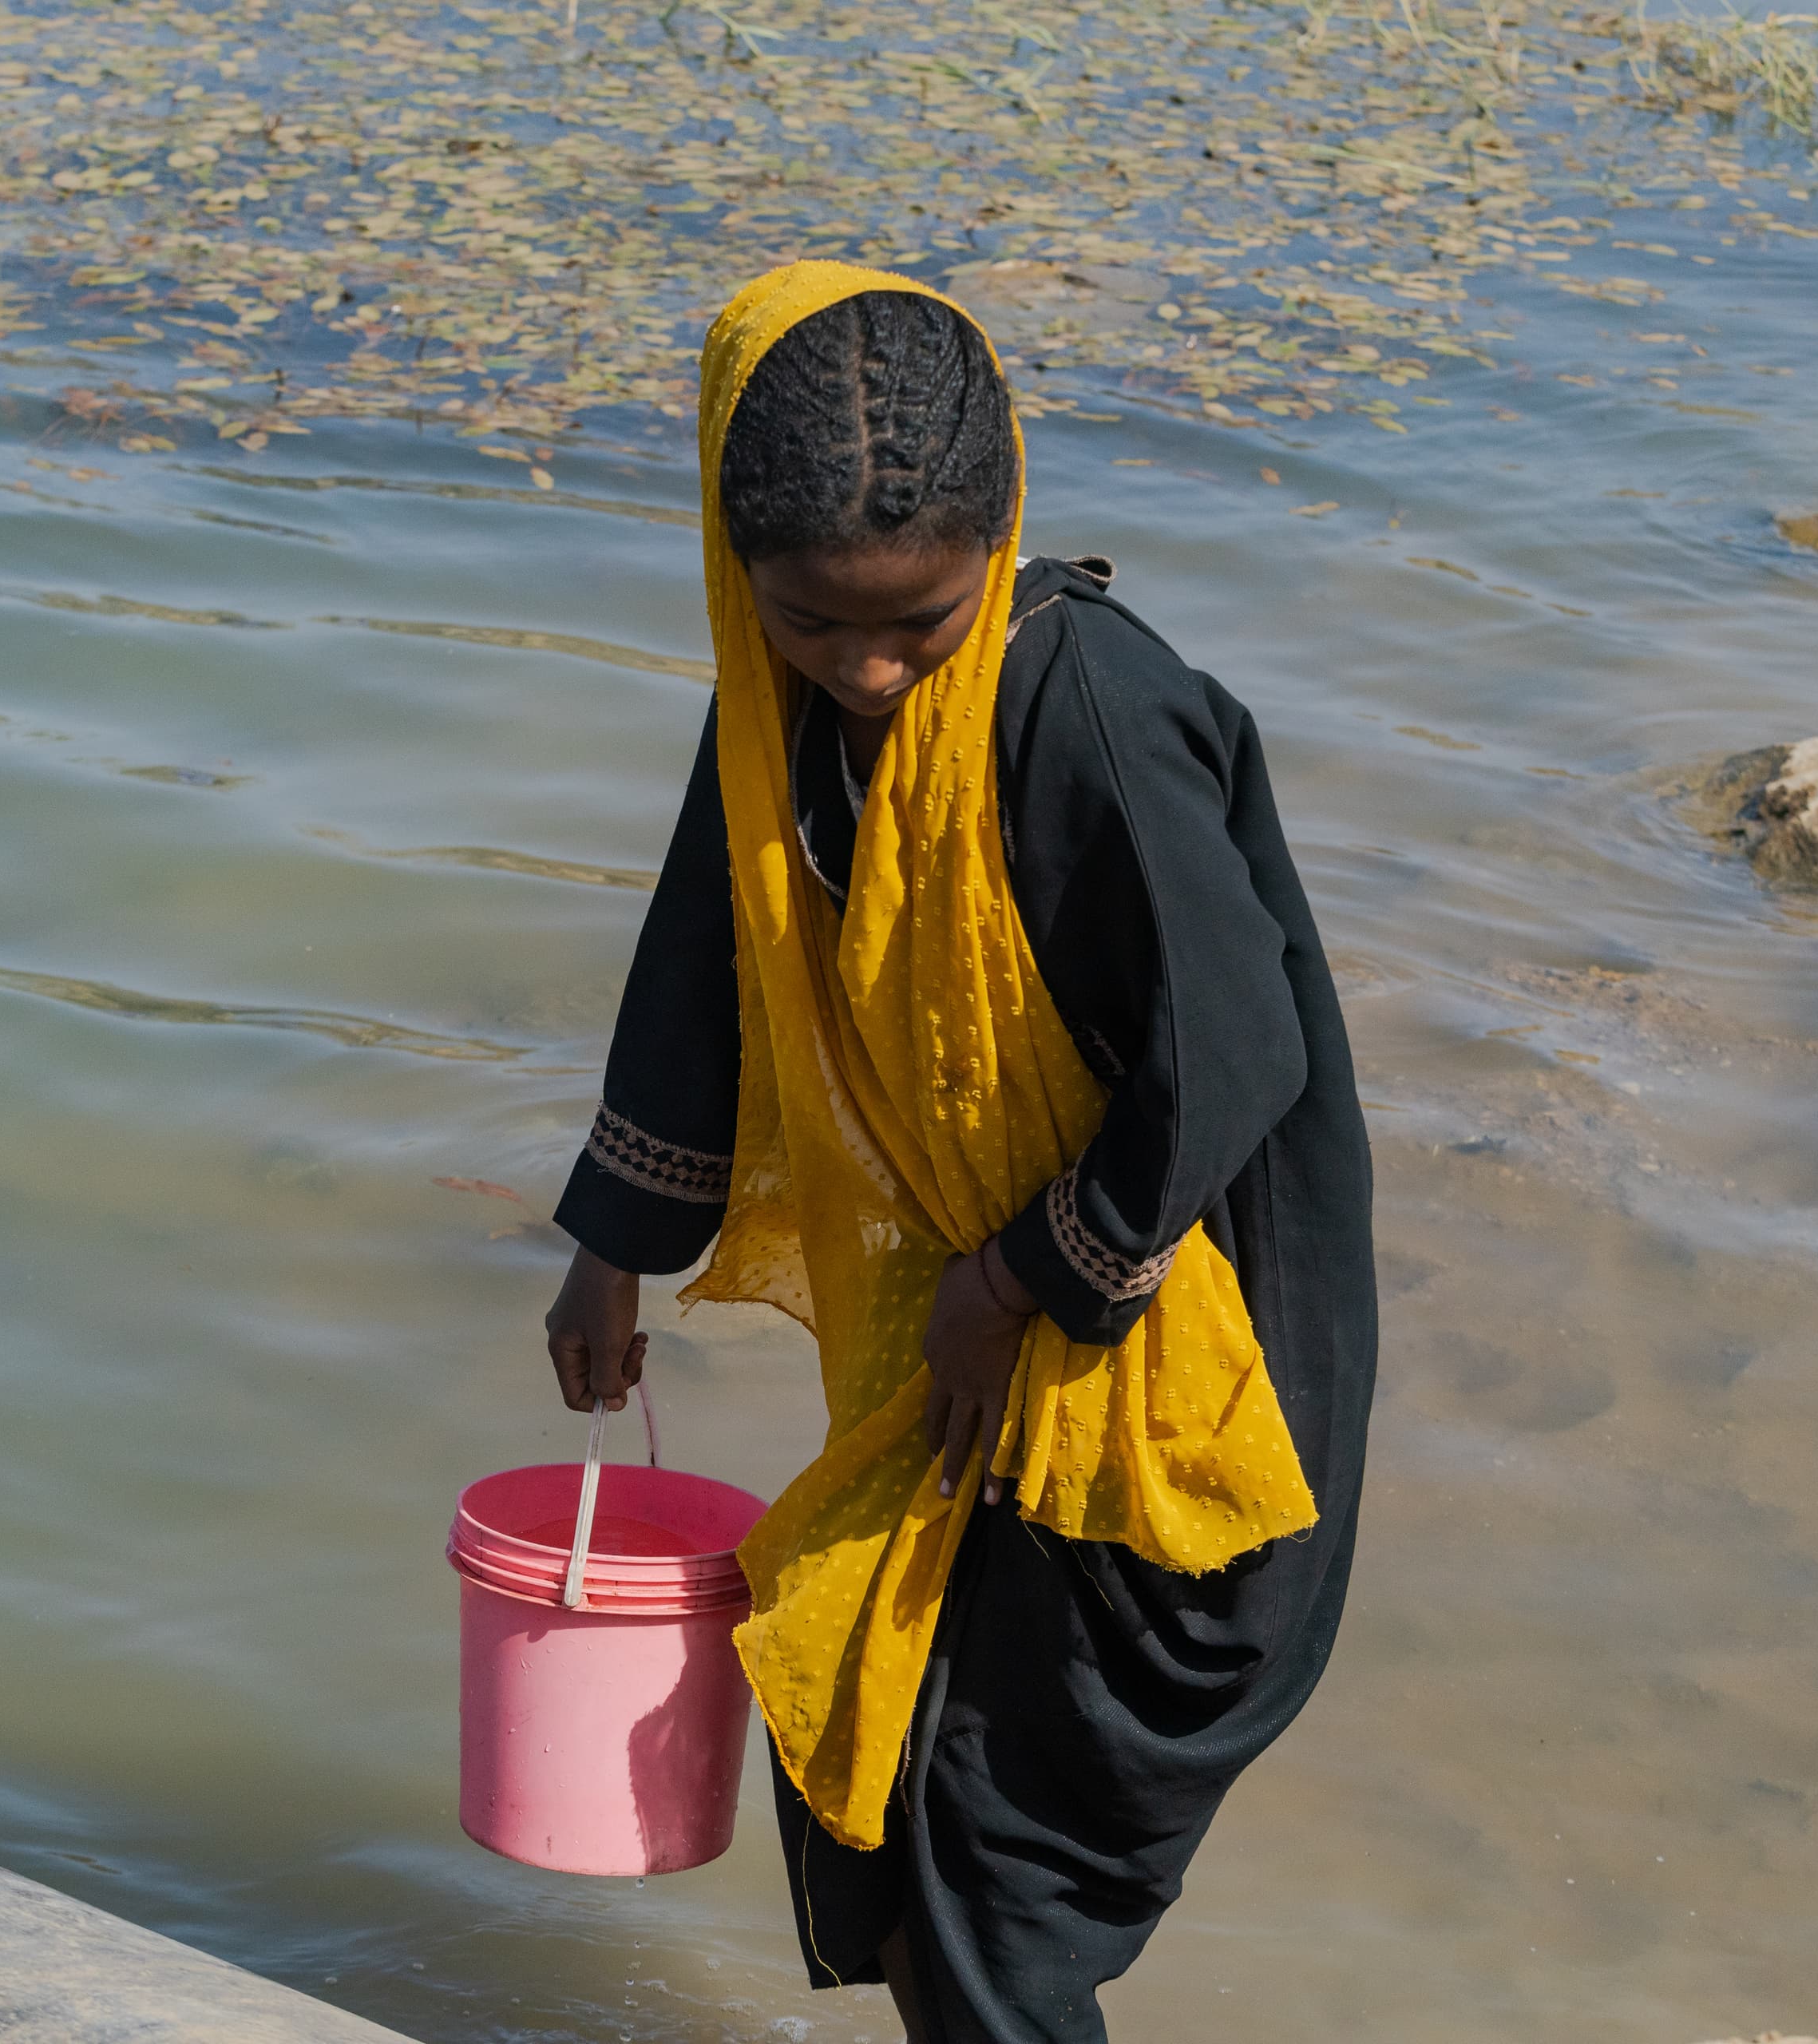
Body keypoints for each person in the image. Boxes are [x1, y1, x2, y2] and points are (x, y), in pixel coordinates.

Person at [537, 261, 1379, 2044]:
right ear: (734, 571)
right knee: (901, 1812)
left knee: (994, 1873)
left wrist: (1022, 1278)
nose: (864, 669)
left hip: (1179, 1382)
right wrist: (615, 1237)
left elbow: (1235, 1049)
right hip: (977, 1362)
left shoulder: (1082, 713)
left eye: (917, 623)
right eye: (806, 624)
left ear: (996, 546)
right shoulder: (792, 711)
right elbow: (716, 936)